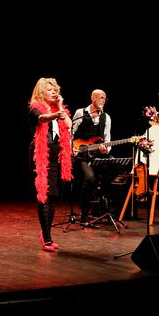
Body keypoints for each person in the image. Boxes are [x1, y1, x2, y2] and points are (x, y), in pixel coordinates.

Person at [28, 78, 73, 251]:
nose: (54, 92)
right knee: (44, 195)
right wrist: (54, 115)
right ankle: (47, 239)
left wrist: (60, 107)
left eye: (55, 89)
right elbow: (42, 119)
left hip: (55, 155)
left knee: (53, 195)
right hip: (40, 154)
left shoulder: (58, 109)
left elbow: (68, 124)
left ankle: (45, 233)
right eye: (50, 90)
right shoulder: (34, 108)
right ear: (41, 93)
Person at [71, 89, 112, 226]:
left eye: (104, 98)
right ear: (92, 98)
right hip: (81, 155)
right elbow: (70, 134)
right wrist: (72, 148)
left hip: (98, 155)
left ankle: (99, 210)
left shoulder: (106, 117)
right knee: (90, 178)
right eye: (100, 97)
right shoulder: (80, 113)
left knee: (116, 169)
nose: (103, 101)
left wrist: (106, 149)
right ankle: (84, 214)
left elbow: (107, 139)